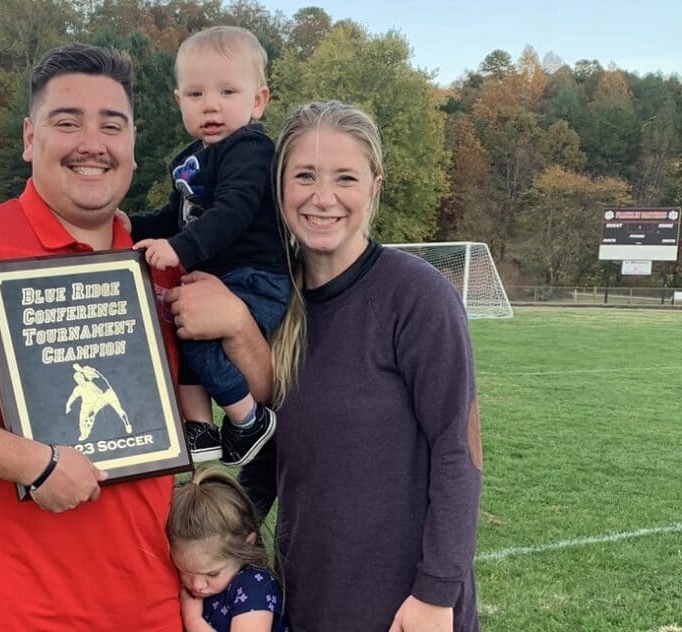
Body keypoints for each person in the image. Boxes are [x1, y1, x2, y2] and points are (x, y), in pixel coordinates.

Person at [0, 43, 271, 631]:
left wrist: (236, 323)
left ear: (132, 144)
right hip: (17, 616)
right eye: (68, 122)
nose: (92, 143)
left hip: (153, 613)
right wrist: (37, 463)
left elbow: (262, 390)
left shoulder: (160, 261)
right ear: (30, 138)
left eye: (112, 125)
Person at [177, 101, 484, 631]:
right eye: (305, 176)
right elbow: (274, 453)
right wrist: (215, 535)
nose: (323, 197)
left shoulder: (415, 295)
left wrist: (435, 594)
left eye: (345, 177)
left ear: (374, 187)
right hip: (307, 600)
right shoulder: (269, 302)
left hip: (404, 608)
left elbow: (458, 451)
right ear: (278, 187)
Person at [127, 25, 289, 467]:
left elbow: (233, 210)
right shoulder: (188, 159)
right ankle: (199, 427)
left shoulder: (250, 148)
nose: (211, 105)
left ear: (258, 101)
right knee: (181, 332)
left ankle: (247, 419)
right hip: (220, 278)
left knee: (195, 333)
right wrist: (129, 224)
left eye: (227, 91)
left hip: (255, 277)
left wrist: (181, 248)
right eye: (196, 94)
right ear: (179, 101)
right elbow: (175, 215)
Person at [167, 467, 287, 632]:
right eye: (185, 572)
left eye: (212, 574)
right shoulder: (197, 586)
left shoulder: (255, 588)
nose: (197, 585)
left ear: (247, 544)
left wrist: (193, 621)